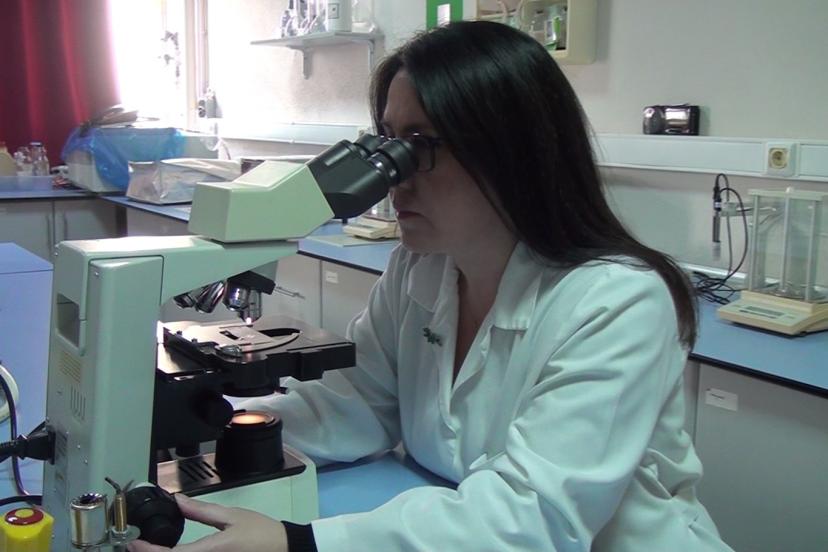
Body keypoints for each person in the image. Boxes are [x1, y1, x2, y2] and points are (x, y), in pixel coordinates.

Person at [129, 20, 734, 552]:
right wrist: (212, 425)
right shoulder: (422, 268)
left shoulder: (618, 301)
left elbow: (533, 518)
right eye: (386, 143)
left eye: (418, 147)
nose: (392, 176)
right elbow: (359, 405)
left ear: (510, 153)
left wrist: (300, 543)